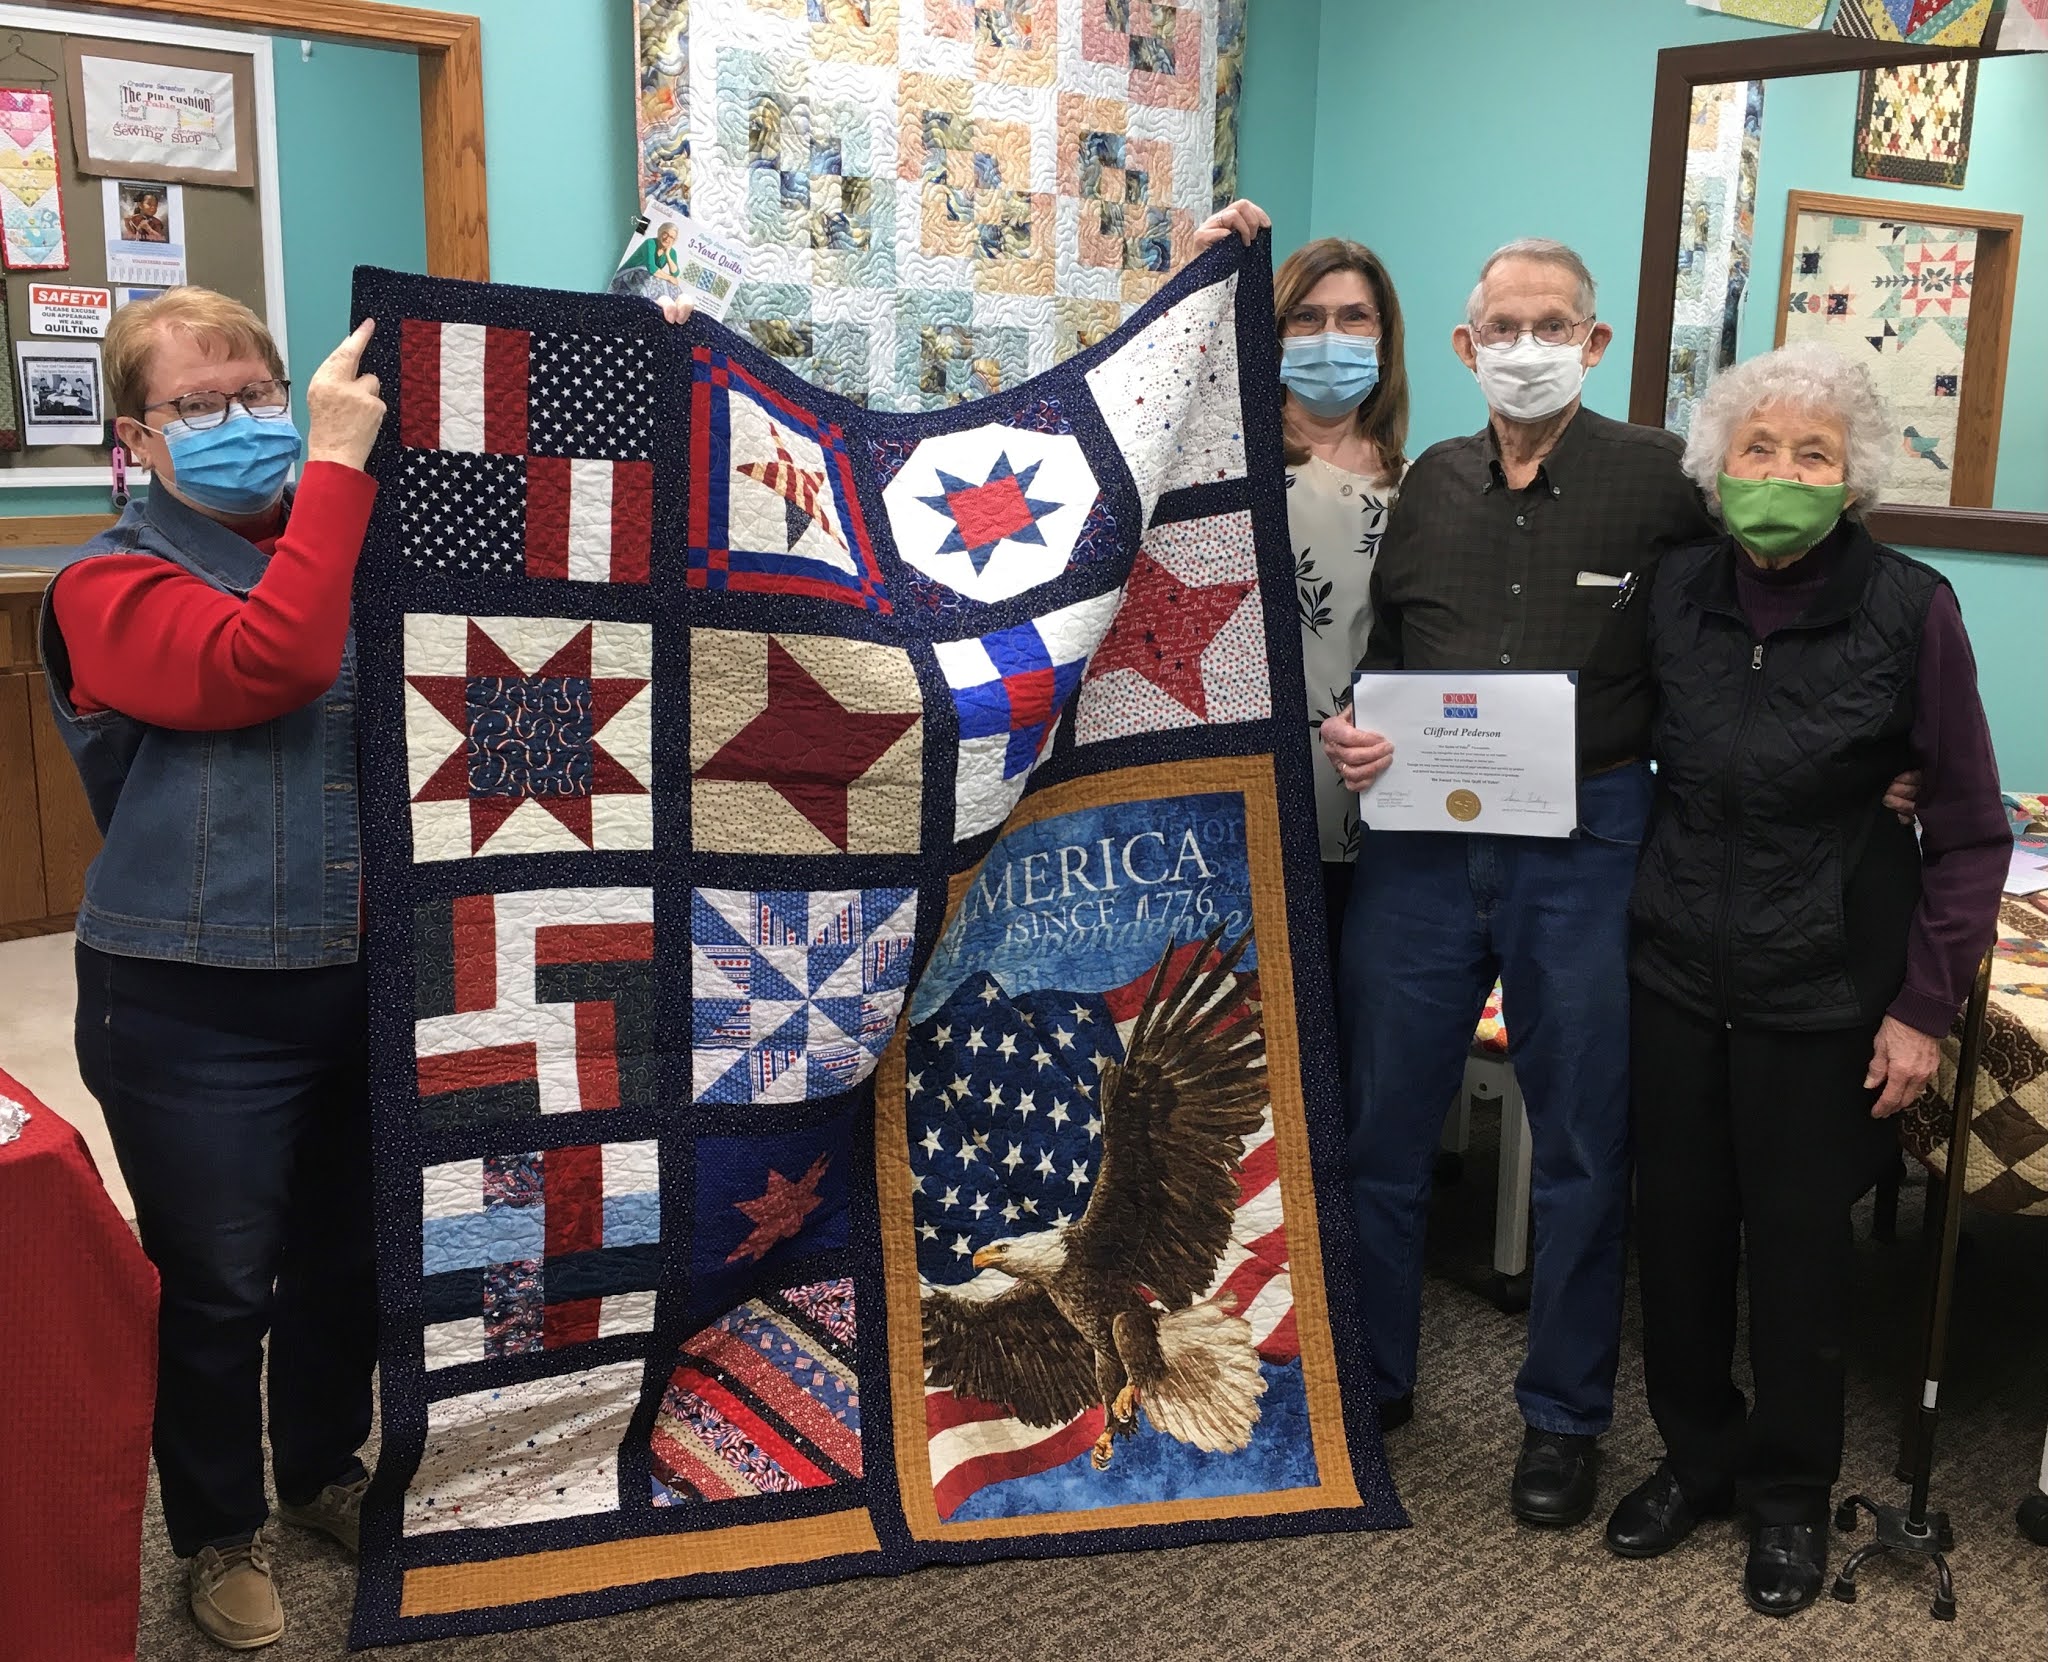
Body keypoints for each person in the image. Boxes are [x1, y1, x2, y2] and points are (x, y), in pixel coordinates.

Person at [45, 287, 691, 1651]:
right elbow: (262, 660)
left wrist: (654, 363)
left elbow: (538, 549)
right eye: (198, 405)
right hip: (191, 997)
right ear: (134, 434)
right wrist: (336, 463)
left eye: (259, 392)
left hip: (376, 976)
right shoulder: (106, 582)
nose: (241, 422)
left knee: (348, 1260)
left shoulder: (360, 543)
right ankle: (218, 1528)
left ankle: (322, 1469)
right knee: (218, 1287)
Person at [1605, 341, 2007, 1616]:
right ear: (1718, 470)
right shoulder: (1670, 590)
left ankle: (1784, 1498)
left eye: (1811, 454)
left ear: (1852, 480)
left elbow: (1969, 826)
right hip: (1673, 972)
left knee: (1796, 1263)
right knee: (1670, 1245)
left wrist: (1920, 1009)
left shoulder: (1908, 607)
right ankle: (1697, 1460)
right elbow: (1588, 728)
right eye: (1757, 449)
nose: (1780, 472)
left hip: (1825, 991)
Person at [1319, 240, 1717, 1525]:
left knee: (1583, 1146)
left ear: (1592, 344)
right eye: (1504, 325)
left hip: (1588, 839)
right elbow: (1381, 658)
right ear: (1463, 345)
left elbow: (1780, 591)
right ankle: (1371, 1381)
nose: (1527, 345)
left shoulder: (1661, 480)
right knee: (1379, 1132)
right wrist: (1352, 735)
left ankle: (1561, 1418)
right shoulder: (1426, 487)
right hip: (1421, 846)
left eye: (1553, 324)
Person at [1273, 238, 1409, 964]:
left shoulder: (1422, 488)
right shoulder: (1232, 475)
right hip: (1253, 800)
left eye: (1355, 318)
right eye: (1306, 317)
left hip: (1380, 802)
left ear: (1384, 337)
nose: (1332, 337)